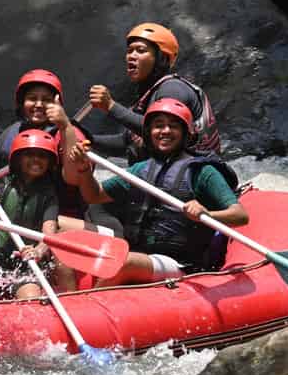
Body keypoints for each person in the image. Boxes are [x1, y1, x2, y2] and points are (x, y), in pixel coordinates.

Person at [66, 98, 247, 286]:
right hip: (139, 250)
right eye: (158, 126)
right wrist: (84, 170)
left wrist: (207, 214)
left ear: (186, 133)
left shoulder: (203, 172)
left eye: (173, 126)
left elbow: (240, 215)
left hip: (181, 263)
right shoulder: (142, 169)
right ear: (149, 133)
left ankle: (90, 306)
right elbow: (93, 195)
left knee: (124, 263)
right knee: (62, 234)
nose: (165, 131)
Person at [88, 22, 220, 162]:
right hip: (163, 175)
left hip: (191, 176)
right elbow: (127, 142)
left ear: (162, 58)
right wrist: (87, 138)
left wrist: (110, 106)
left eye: (140, 50)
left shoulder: (173, 89)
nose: (131, 56)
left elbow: (160, 131)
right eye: (129, 50)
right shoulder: (147, 95)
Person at [0, 130, 77, 300]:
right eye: (29, 155)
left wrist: (38, 250)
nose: (36, 160)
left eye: (42, 156)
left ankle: (71, 303)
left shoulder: (49, 195)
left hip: (26, 264)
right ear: (18, 159)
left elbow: (49, 229)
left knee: (30, 298)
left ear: (50, 163)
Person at [0, 69, 90, 220]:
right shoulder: (8, 135)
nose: (39, 104)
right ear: (22, 103)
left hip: (63, 216)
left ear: (57, 103)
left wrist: (65, 126)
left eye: (47, 99)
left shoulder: (70, 133)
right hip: (18, 211)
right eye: (32, 98)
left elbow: (75, 179)